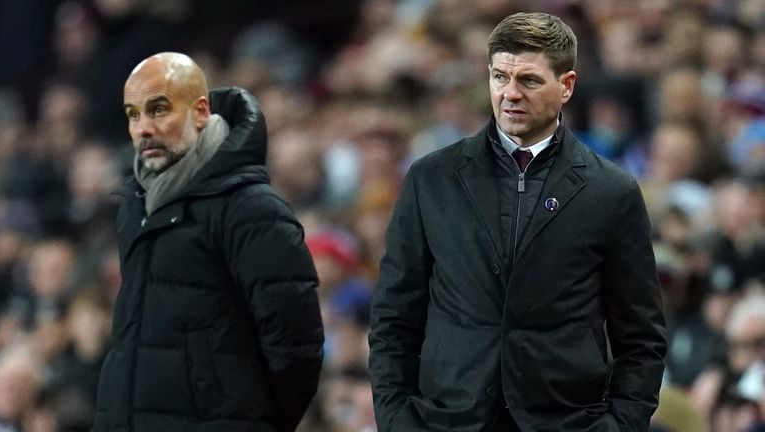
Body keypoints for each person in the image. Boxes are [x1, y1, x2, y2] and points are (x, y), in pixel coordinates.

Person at [368, 12, 667, 432]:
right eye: (499, 77)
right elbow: (394, 318)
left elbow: (641, 337)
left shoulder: (611, 191)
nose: (510, 94)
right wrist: (397, 419)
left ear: (566, 86)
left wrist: (620, 424)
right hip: (446, 422)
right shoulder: (431, 179)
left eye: (528, 80)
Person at [92, 52, 324, 432]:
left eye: (158, 109)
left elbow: (296, 348)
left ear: (200, 112)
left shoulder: (252, 208)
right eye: (133, 115)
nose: (143, 128)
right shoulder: (134, 207)